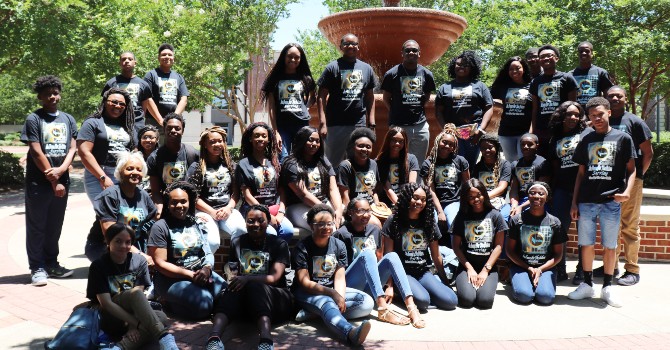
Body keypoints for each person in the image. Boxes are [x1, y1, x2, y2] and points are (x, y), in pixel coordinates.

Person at [567, 97, 636, 308]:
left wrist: (627, 192)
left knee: (609, 246)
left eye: (600, 114)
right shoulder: (586, 140)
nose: (597, 119)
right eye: (593, 116)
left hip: (610, 201)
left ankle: (607, 287)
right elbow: (580, 173)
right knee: (586, 244)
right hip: (587, 201)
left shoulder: (623, 138)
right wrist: (574, 202)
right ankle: (587, 284)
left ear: (608, 112)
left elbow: (632, 169)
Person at [205, 205, 293, 350]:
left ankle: (266, 340)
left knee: (252, 285)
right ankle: (214, 338)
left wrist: (247, 279)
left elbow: (274, 277)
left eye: (260, 220)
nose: (255, 225)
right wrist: (231, 275)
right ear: (245, 222)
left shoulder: (279, 244)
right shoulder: (237, 242)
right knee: (233, 288)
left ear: (268, 221)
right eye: (251, 221)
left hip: (275, 300)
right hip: (247, 300)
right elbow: (232, 270)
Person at [590, 86, 653, 286]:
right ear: (605, 101)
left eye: (619, 95)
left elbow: (648, 152)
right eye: (611, 96)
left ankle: (632, 269)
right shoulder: (599, 122)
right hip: (607, 181)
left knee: (630, 227)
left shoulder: (635, 122)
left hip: (630, 183)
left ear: (625, 99)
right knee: (611, 226)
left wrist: (637, 177)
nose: (615, 98)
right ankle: (612, 266)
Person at [334, 198, 426, 328]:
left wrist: (389, 286)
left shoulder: (375, 230)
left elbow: (379, 258)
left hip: (370, 285)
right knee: (367, 254)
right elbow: (338, 269)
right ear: (350, 213)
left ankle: (411, 307)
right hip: (350, 283)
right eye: (361, 211)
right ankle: (382, 308)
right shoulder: (341, 234)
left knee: (392, 256)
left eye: (368, 210)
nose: (366, 215)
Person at [21, 75, 77, 285]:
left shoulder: (68, 119)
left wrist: (62, 170)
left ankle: (52, 263)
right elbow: (36, 152)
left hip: (62, 178)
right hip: (39, 181)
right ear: (40, 97)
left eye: (55, 92)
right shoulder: (34, 119)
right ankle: (37, 268)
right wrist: (53, 179)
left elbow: (73, 147)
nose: (52, 97)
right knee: (37, 225)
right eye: (47, 94)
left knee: (54, 225)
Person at [86, 223, 179, 350]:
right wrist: (136, 323)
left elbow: (138, 297)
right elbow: (106, 303)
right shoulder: (98, 266)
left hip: (130, 313)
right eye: (118, 241)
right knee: (151, 321)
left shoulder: (139, 262)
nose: (123, 246)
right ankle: (164, 337)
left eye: (128, 242)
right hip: (108, 315)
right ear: (108, 241)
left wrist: (133, 327)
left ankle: (118, 348)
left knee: (161, 317)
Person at [292, 204, 374, 346]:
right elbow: (304, 282)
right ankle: (350, 333)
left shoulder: (338, 245)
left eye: (329, 223)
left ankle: (319, 313)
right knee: (328, 302)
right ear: (312, 226)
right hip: (307, 292)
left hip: (330, 289)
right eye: (321, 224)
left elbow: (340, 276)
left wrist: (340, 297)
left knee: (367, 302)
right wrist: (332, 294)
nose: (326, 228)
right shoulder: (302, 247)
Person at [148, 181, 225, 320]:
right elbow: (160, 263)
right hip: (170, 280)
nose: (179, 206)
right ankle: (167, 304)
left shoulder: (195, 223)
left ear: (190, 202)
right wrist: (189, 275)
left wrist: (207, 269)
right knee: (204, 305)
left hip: (199, 273)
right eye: (174, 202)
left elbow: (207, 251)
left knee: (227, 294)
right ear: (168, 203)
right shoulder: (160, 227)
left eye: (183, 201)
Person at [382, 183, 458, 311]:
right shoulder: (393, 220)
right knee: (423, 301)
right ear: (406, 197)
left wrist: (445, 282)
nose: (419, 202)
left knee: (451, 301)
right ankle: (398, 291)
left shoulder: (429, 221)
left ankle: (419, 289)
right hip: (402, 272)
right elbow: (388, 256)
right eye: (415, 197)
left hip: (423, 271)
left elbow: (436, 255)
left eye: (423, 199)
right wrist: (389, 285)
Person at [87, 151, 157, 264]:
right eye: (130, 169)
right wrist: (140, 255)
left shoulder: (143, 195)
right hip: (105, 245)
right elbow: (110, 234)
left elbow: (154, 219)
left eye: (139, 170)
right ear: (120, 172)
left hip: (133, 244)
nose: (135, 172)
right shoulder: (110, 195)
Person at [317, 33, 377, 164]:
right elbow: (321, 95)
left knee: (357, 160)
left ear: (358, 47)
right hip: (335, 123)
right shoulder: (332, 67)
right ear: (341, 47)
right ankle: (331, 185)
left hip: (358, 124)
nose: (350, 46)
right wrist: (323, 122)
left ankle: (352, 185)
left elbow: (370, 97)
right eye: (347, 44)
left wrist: (371, 122)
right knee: (333, 161)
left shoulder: (366, 69)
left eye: (354, 44)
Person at [546, 101, 589, 284]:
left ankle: (582, 270)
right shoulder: (555, 138)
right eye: (569, 114)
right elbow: (555, 168)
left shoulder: (586, 134)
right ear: (562, 116)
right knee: (560, 231)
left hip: (585, 191)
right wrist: (553, 191)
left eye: (576, 114)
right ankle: (560, 267)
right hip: (563, 189)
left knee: (584, 232)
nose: (573, 117)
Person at [451, 178, 507, 309]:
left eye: (479, 195)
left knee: (485, 301)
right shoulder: (462, 216)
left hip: (488, 266)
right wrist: (469, 268)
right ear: (466, 199)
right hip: (466, 265)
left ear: (484, 194)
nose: (476, 199)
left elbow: (499, 246)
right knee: (466, 300)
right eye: (471, 197)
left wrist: (485, 270)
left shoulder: (495, 215)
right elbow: (456, 246)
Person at [506, 182, 565, 305]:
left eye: (541, 193)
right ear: (528, 197)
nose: (536, 196)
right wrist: (528, 268)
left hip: (545, 267)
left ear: (547, 198)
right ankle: (518, 280)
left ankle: (541, 282)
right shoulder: (517, 220)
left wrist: (540, 269)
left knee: (545, 297)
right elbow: (509, 250)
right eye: (532, 193)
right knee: (524, 296)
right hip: (521, 266)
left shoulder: (554, 222)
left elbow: (558, 254)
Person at [186, 126, 246, 246]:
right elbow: (192, 195)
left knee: (241, 232)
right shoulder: (196, 167)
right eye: (212, 142)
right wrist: (212, 212)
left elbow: (236, 193)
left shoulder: (231, 166)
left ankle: (231, 265)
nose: (217, 144)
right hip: (204, 212)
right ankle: (207, 265)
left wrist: (229, 208)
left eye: (220, 141)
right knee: (212, 242)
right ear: (205, 145)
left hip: (227, 209)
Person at [435, 50, 494, 168]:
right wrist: (445, 130)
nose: (461, 67)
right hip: (453, 131)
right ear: (453, 66)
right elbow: (438, 111)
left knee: (469, 164)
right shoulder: (445, 87)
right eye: (458, 64)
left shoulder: (480, 86)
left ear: (472, 67)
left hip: (473, 132)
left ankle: (469, 186)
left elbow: (489, 107)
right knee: (454, 163)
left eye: (465, 65)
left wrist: (481, 130)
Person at [235, 122, 294, 240]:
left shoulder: (274, 163)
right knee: (270, 233)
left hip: (274, 209)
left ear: (269, 139)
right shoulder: (243, 164)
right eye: (256, 136)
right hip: (253, 209)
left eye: (263, 136)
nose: (260, 138)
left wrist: (281, 212)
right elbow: (247, 195)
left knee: (287, 230)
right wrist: (266, 214)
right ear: (250, 139)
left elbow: (282, 191)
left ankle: (277, 257)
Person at [381, 39, 436, 163]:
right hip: (398, 125)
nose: (411, 52)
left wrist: (416, 108)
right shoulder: (392, 74)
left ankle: (415, 183)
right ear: (402, 53)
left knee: (418, 162)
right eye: (408, 50)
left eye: (414, 50)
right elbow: (385, 98)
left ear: (419, 53)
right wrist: (396, 110)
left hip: (420, 125)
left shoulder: (427, 74)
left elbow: (427, 97)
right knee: (396, 160)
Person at [78, 88, 135, 204]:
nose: (118, 106)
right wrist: (102, 177)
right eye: (114, 102)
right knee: (105, 213)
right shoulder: (93, 122)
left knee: (122, 214)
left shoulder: (127, 125)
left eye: (122, 104)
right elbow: (84, 152)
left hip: (123, 174)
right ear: (105, 101)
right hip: (98, 174)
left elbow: (134, 150)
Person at [261, 43, 316, 160]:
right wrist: (275, 131)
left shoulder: (306, 78)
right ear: (283, 57)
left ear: (301, 59)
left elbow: (313, 96)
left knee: (301, 158)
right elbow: (271, 107)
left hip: (301, 125)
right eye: (290, 56)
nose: (293, 60)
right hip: (282, 126)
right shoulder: (275, 79)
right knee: (283, 158)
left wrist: (306, 108)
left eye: (297, 57)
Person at [281, 126, 343, 230]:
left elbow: (333, 188)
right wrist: (328, 210)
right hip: (299, 206)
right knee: (324, 225)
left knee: (346, 221)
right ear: (302, 141)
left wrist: (338, 210)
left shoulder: (323, 160)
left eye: (317, 141)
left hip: (324, 203)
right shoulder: (291, 163)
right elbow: (303, 194)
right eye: (310, 140)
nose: (314, 144)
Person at [529, 44, 578, 158]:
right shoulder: (535, 82)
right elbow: (535, 109)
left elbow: (574, 106)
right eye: (542, 57)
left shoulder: (567, 78)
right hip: (542, 130)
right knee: (544, 161)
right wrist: (532, 130)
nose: (546, 58)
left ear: (556, 58)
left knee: (562, 160)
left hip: (562, 129)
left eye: (549, 55)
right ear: (539, 61)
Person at [147, 113, 199, 215]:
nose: (173, 131)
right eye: (169, 128)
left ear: (182, 131)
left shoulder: (192, 153)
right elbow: (156, 191)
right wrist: (159, 210)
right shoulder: (154, 158)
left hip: (189, 206)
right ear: (164, 130)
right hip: (167, 206)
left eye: (177, 128)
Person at [420, 124, 470, 231]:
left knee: (454, 224)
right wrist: (440, 211)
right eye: (444, 142)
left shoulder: (460, 161)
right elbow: (431, 190)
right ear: (438, 141)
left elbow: (467, 185)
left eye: (451, 144)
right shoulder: (428, 164)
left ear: (454, 147)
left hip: (454, 201)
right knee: (430, 225)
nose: (447, 146)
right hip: (434, 203)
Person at [102, 51, 161, 135]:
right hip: (116, 123)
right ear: (120, 63)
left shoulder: (143, 84)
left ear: (135, 63)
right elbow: (104, 105)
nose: (126, 61)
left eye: (130, 59)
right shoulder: (111, 83)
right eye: (123, 59)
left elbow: (144, 108)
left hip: (137, 124)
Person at [337, 127, 383, 228]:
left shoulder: (373, 164)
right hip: (357, 208)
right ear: (354, 147)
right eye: (361, 146)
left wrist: (378, 205)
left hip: (371, 206)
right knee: (376, 225)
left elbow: (373, 191)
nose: (364, 149)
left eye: (368, 147)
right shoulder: (345, 166)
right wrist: (352, 214)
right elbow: (344, 195)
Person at [490, 56, 533, 161]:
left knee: (523, 161)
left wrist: (531, 131)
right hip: (506, 132)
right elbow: (488, 98)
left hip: (525, 131)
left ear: (524, 68)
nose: (514, 71)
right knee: (511, 163)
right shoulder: (503, 86)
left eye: (518, 68)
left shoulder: (532, 85)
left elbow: (535, 110)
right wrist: (502, 106)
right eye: (511, 69)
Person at [144, 43, 189, 127]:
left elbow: (184, 99)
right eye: (164, 55)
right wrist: (161, 120)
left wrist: (173, 118)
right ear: (158, 58)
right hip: (153, 122)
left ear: (173, 59)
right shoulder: (150, 75)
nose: (167, 57)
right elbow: (147, 99)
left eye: (170, 55)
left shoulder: (179, 77)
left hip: (173, 124)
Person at [375, 126, 420, 206]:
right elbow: (387, 188)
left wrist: (407, 204)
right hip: (387, 202)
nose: (397, 144)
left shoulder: (411, 159)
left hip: (406, 199)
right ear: (388, 141)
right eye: (394, 140)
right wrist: (400, 205)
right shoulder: (379, 161)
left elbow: (412, 184)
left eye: (401, 141)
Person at [509, 133, 551, 217]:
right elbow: (514, 189)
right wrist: (514, 205)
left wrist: (521, 207)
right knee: (505, 215)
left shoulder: (543, 163)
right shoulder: (515, 164)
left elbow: (541, 192)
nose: (525, 147)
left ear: (537, 145)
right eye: (523, 144)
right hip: (519, 200)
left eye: (530, 144)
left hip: (537, 200)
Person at [472, 134, 512, 221]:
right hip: (480, 200)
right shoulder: (478, 167)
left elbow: (502, 187)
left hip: (498, 200)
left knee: (503, 219)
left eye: (490, 147)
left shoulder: (505, 165)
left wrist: (485, 197)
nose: (487, 150)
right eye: (483, 148)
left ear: (496, 147)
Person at [569, 42, 614, 106]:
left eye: (587, 51)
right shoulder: (570, 75)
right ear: (578, 54)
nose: (583, 53)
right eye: (581, 51)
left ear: (592, 54)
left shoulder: (601, 72)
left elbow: (607, 94)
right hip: (577, 113)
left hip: (595, 112)